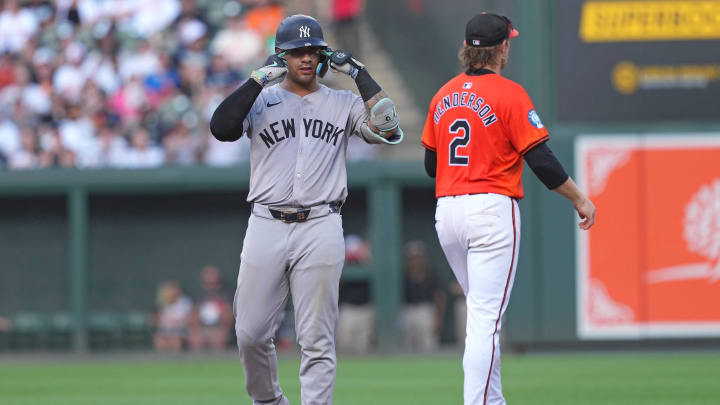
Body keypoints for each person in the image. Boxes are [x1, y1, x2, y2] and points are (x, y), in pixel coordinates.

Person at [210, 14, 403, 405]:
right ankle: (268, 400)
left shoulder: (343, 102)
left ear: (323, 56)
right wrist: (255, 79)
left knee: (316, 339)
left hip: (320, 223)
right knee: (249, 334)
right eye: (296, 52)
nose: (305, 58)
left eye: (312, 50)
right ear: (280, 56)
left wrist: (360, 73)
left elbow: (388, 128)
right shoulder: (261, 99)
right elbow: (221, 126)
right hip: (266, 221)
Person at [421, 12, 596, 405]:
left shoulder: (442, 94)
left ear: (466, 49)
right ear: (503, 48)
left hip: (447, 213)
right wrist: (579, 198)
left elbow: (432, 165)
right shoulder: (509, 94)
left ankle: (492, 400)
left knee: (482, 317)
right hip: (490, 210)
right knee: (485, 322)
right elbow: (543, 162)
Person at [402, 240, 446, 352]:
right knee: (408, 345)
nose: (415, 260)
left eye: (418, 257)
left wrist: (439, 318)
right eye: (412, 257)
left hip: (426, 311)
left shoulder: (431, 274)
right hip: (409, 311)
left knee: (429, 343)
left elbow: (439, 296)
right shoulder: (404, 275)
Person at [188, 265, 234, 351]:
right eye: (208, 274)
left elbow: (229, 315)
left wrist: (222, 326)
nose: (210, 277)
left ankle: (219, 362)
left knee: (218, 338)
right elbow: (192, 315)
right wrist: (197, 328)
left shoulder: (226, 294)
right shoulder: (198, 294)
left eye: (212, 274)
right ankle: (197, 363)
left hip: (219, 327)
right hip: (202, 327)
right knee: (196, 338)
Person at [152, 280, 192, 352]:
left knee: (176, 340)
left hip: (180, 330)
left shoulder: (184, 302)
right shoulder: (162, 303)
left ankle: (177, 361)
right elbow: (156, 319)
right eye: (170, 290)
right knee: (159, 340)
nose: (172, 292)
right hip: (165, 330)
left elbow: (186, 318)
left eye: (174, 289)